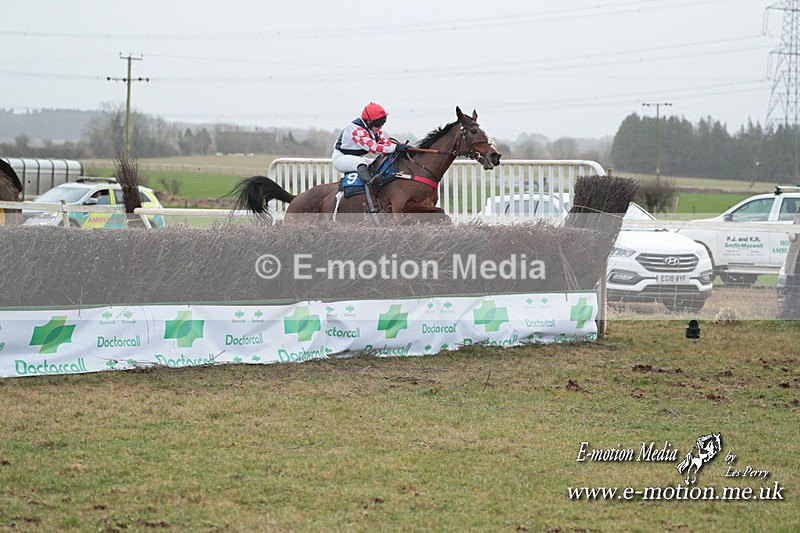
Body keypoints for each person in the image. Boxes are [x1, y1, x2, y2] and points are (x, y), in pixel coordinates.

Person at [331, 102, 409, 187]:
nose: (380, 127)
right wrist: (395, 148)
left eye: (382, 123)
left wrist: (402, 147)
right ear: (368, 121)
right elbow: (373, 148)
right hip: (340, 158)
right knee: (360, 162)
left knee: (376, 163)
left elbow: (384, 142)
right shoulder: (356, 129)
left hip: (354, 157)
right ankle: (370, 184)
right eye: (378, 124)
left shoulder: (375, 130)